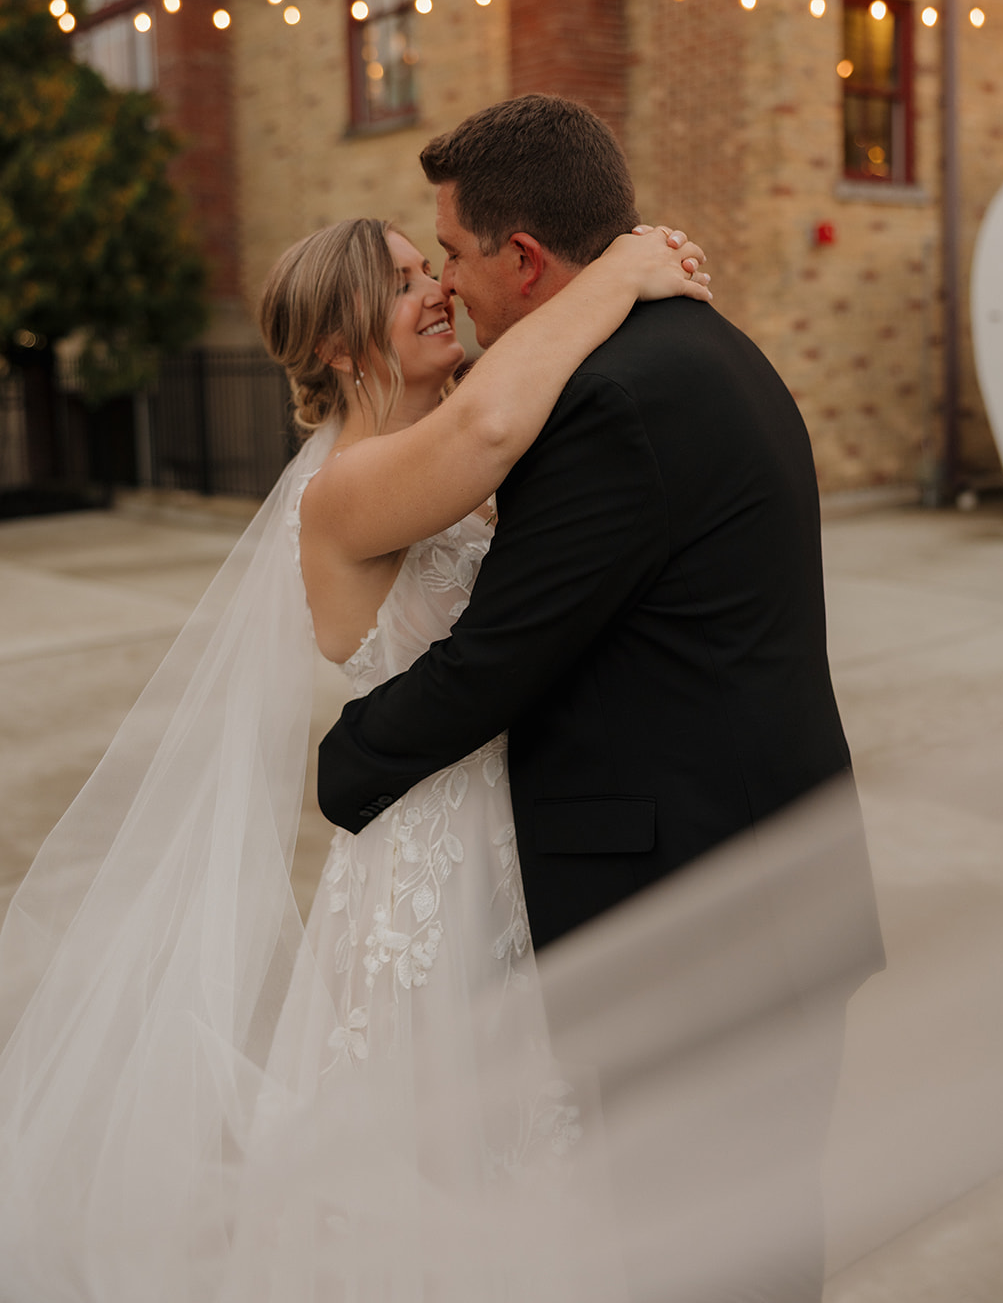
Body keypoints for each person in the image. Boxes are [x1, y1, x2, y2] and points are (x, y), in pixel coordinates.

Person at [0, 211, 709, 1303]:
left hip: (530, 825)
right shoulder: (346, 486)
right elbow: (485, 425)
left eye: (433, 270)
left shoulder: (430, 454)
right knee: (449, 1173)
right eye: (402, 282)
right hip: (440, 864)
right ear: (337, 345)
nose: (436, 292)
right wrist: (614, 272)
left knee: (543, 1156)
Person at [317, 94, 883, 1301]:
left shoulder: (616, 401)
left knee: (714, 1256)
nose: (447, 289)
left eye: (453, 256)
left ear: (522, 259)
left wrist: (346, 761)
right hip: (751, 891)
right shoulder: (681, 347)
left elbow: (497, 655)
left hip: (705, 927)